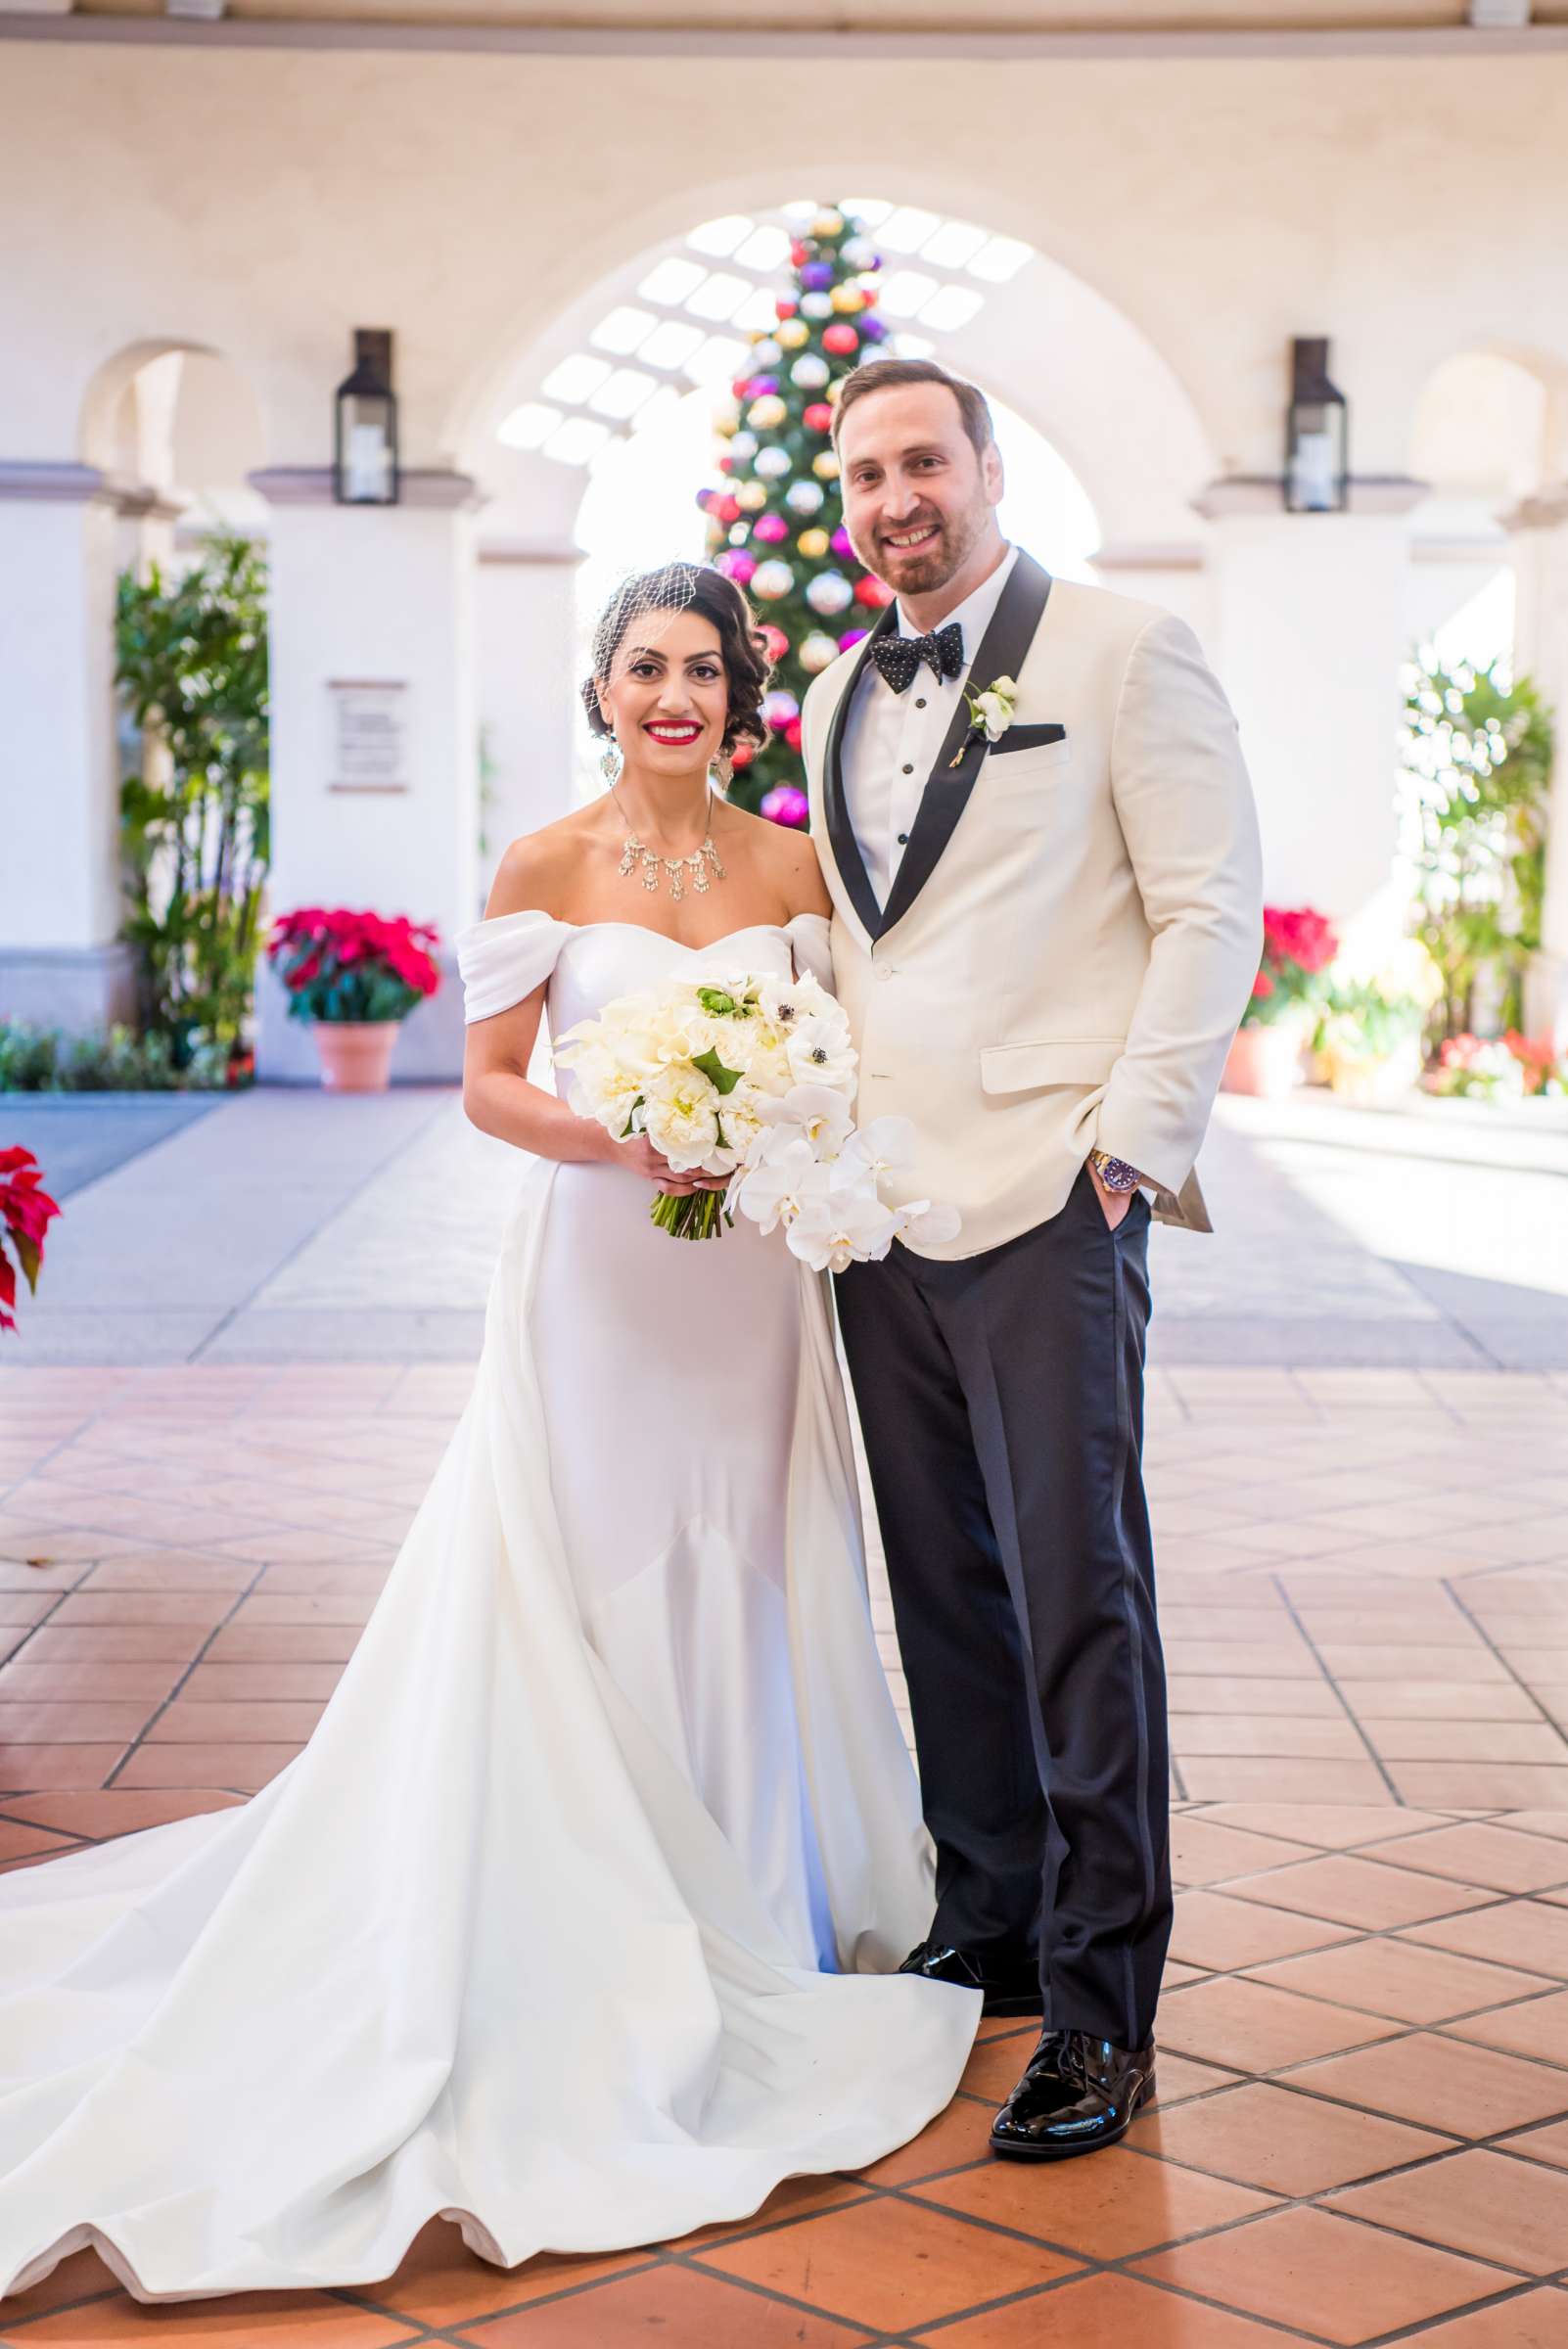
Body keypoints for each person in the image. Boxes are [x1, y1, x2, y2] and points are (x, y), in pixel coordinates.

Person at [0, 562, 979, 2308]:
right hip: (601, 1268)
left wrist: (768, 1121)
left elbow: (840, 1050)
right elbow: (489, 1083)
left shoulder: (785, 865)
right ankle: (591, 1897)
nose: (673, 694)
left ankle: (758, 1896)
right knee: (590, 1559)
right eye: (642, 667)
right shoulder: (543, 864)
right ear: (600, 689)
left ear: (742, 692)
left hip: (748, 1282)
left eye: (701, 667)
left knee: (745, 1548)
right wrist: (630, 1136)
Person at [802, 359, 1264, 2161]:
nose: (893, 495)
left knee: (1082, 1597)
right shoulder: (842, 683)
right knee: (944, 1592)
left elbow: (1207, 900)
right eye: (864, 472)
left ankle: (1100, 2005)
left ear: (987, 467)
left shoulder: (1122, 651)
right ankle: (988, 1921)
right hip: (877, 1212)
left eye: (922, 459)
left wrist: (1131, 1148)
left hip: (1054, 1198)